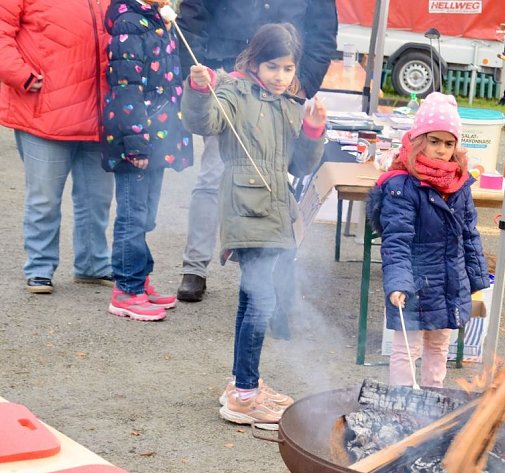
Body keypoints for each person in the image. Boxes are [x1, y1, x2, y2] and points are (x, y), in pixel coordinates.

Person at [182, 23, 326, 427]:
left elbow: (300, 165)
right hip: (245, 207)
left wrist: (313, 129)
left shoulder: (288, 105)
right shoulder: (233, 90)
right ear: (255, 61)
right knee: (261, 300)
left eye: (287, 68)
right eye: (273, 67)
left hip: (275, 209)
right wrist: (198, 90)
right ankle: (245, 394)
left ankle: (243, 383)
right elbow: (204, 122)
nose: (280, 76)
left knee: (253, 297)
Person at [174, 0, 338, 303]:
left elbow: (323, 31)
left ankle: (268, 270)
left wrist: (304, 83)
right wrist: (196, 70)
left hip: (284, 83)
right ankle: (195, 267)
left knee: (277, 176)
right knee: (213, 178)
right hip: (227, 79)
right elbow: (193, 14)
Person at [369, 93, 491, 388]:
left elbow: (469, 233)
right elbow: (396, 240)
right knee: (407, 348)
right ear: (418, 140)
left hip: (449, 283)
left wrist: (476, 280)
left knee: (439, 347)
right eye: (433, 141)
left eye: (448, 143)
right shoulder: (401, 185)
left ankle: (432, 400)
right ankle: (403, 402)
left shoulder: (459, 183)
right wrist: (398, 282)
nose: (441, 150)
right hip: (414, 282)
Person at [0, 0, 115, 294]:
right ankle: (39, 268)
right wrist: (19, 74)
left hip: (99, 113)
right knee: (44, 199)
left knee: (97, 199)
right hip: (44, 111)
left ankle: (93, 265)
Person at [101, 0, 193, 321]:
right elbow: (125, 86)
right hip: (135, 138)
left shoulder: (156, 19)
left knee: (146, 214)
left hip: (156, 136)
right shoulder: (129, 23)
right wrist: (136, 142)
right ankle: (126, 290)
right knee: (132, 215)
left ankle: (139, 278)